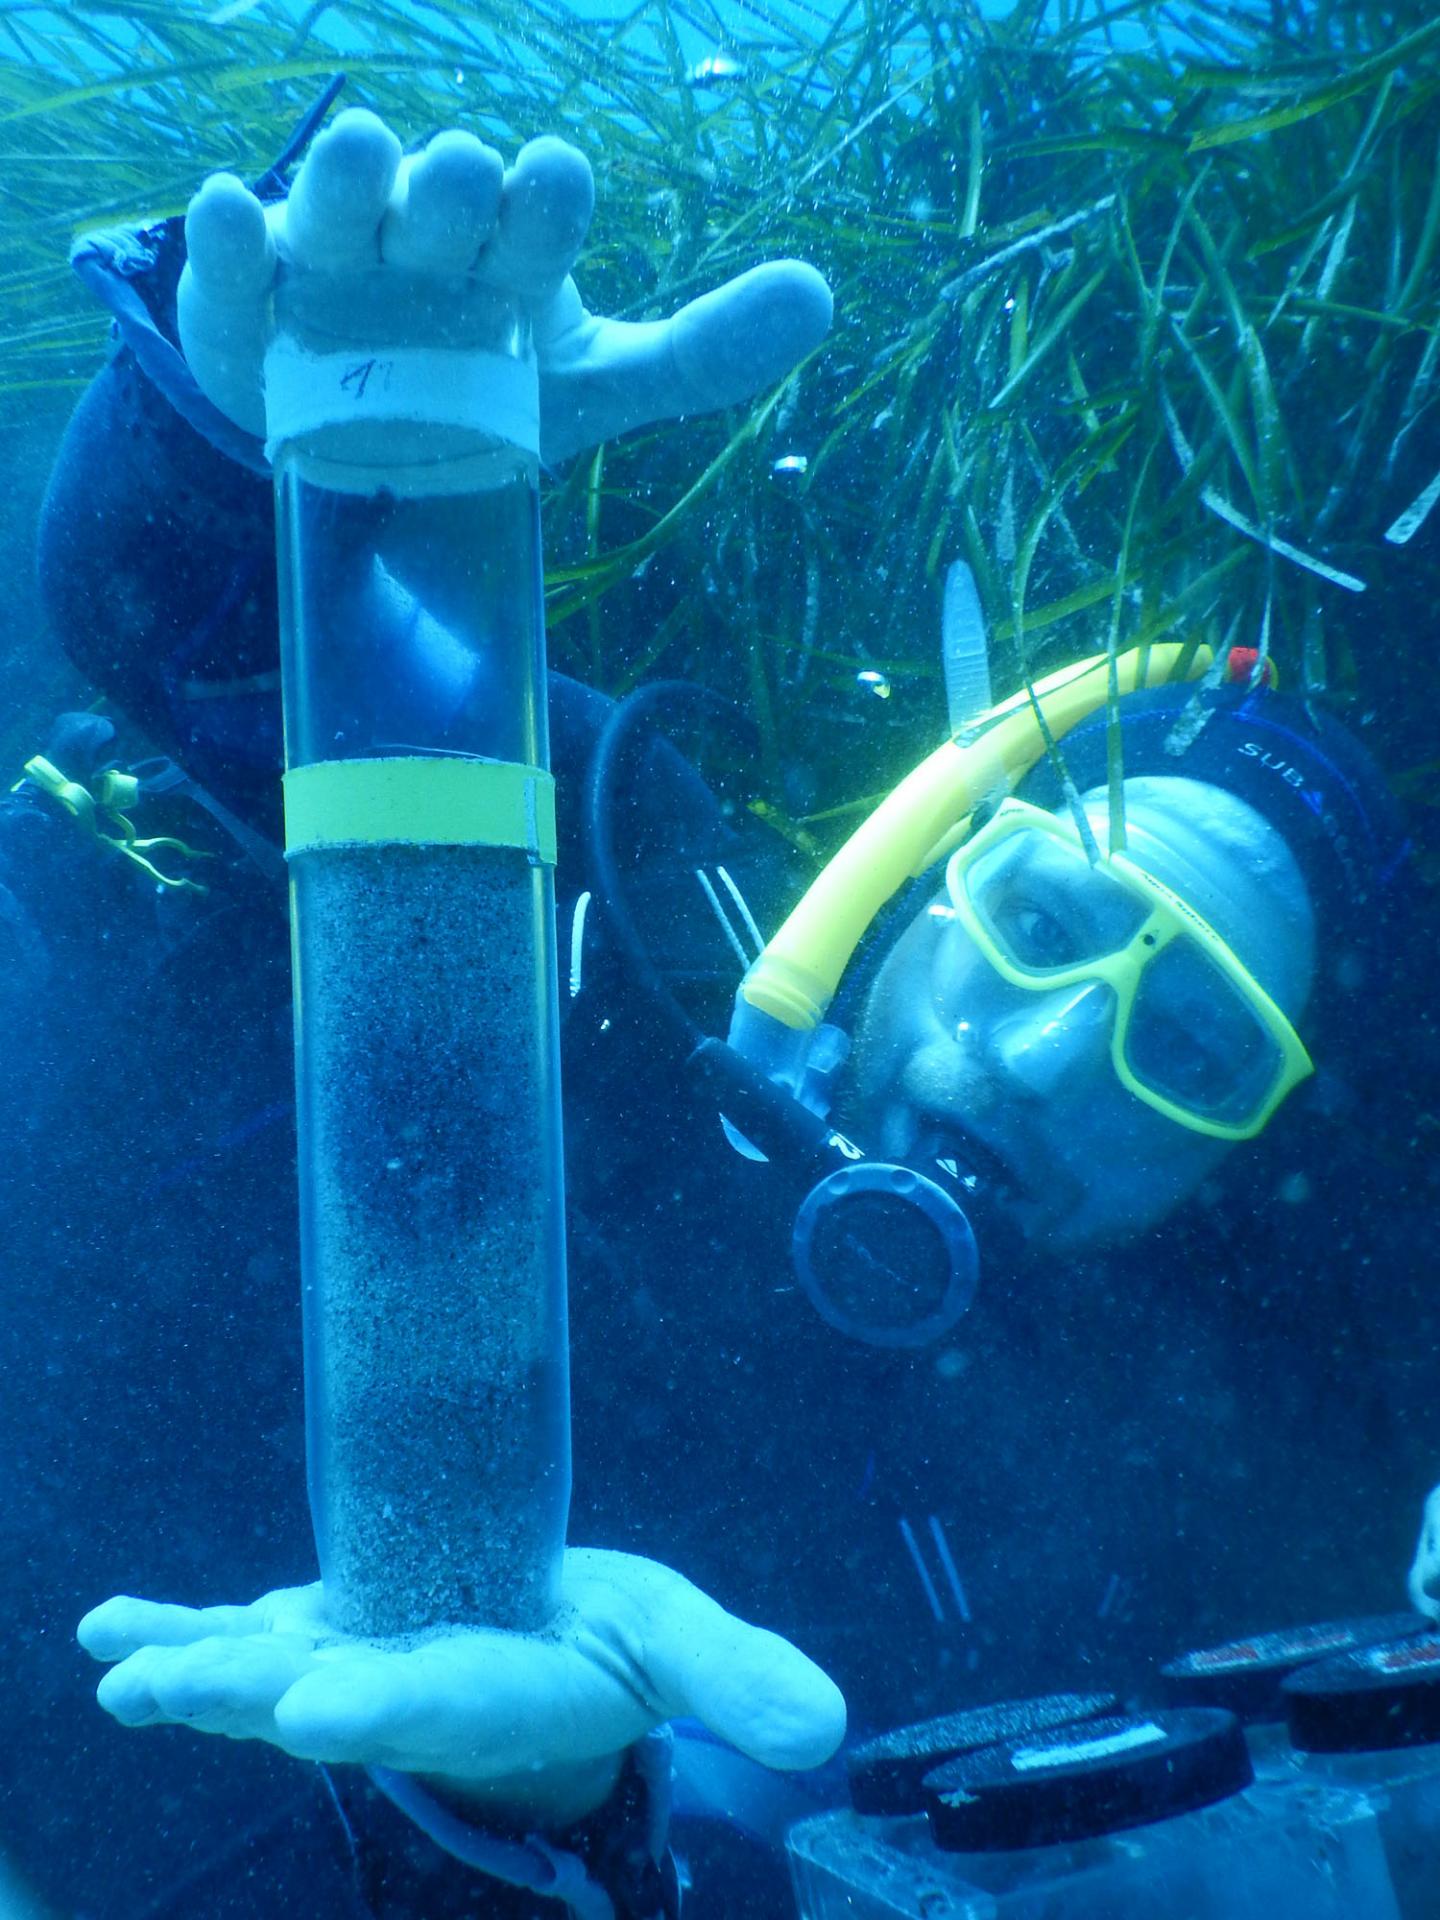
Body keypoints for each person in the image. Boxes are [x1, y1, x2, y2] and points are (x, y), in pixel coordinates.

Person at [15, 97, 1410, 1920]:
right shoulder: (645, 900)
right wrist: (309, 437)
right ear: (929, 858)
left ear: (1237, 1164)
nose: (1066, 1050)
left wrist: (546, 1808)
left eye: (1201, 1046)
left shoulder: (1164, 1464)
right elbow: (218, 643)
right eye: (1049, 916)